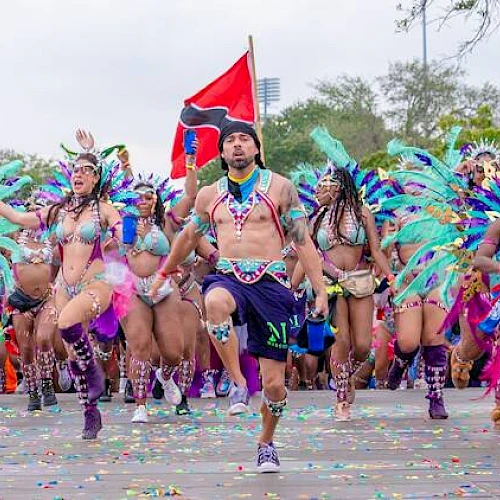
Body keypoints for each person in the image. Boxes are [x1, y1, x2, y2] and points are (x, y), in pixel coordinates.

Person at [151, 121, 327, 473]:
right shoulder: (209, 194)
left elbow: (303, 241)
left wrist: (320, 290)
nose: (237, 146)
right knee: (214, 304)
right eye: (229, 141)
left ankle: (266, 442)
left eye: (244, 139)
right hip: (229, 276)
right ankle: (237, 382)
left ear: (257, 148)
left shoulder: (280, 188)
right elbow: (188, 238)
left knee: (275, 387)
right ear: (221, 152)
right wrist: (164, 272)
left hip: (272, 284)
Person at [0, 130, 132, 439]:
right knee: (73, 356)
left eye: (87, 170)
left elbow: (120, 228)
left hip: (95, 281)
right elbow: (20, 219)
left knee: (68, 323)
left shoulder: (102, 208)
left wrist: (120, 238)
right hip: (64, 287)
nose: (79, 174)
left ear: (97, 178)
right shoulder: (57, 211)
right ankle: (90, 413)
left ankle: (97, 378)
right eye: (76, 170)